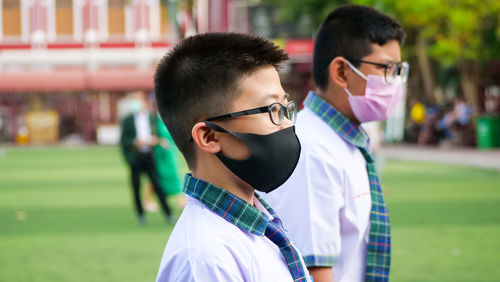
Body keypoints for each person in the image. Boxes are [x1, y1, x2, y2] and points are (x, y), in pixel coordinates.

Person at [261, 4, 407, 282]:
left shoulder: (344, 143)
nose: (395, 82)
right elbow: (313, 271)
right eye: (388, 68)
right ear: (341, 71)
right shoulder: (312, 150)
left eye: (400, 70)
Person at [154, 32, 311, 281]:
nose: (286, 124)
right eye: (272, 110)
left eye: (285, 108)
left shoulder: (260, 223)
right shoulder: (207, 260)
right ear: (209, 137)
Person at [119, 90, 173, 224]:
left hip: (150, 156)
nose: (135, 103)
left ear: (144, 101)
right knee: (136, 186)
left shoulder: (152, 118)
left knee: (157, 184)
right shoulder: (127, 120)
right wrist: (134, 142)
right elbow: (123, 140)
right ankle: (140, 215)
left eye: (137, 100)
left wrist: (158, 141)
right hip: (136, 157)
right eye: (133, 100)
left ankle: (168, 213)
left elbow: (160, 135)